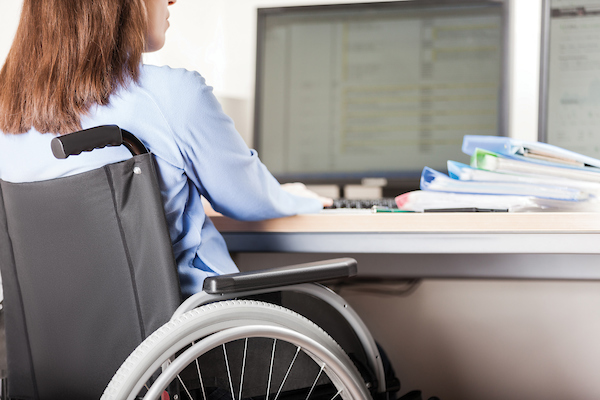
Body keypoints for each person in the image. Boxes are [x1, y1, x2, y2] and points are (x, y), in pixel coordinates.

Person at [0, 0, 332, 297]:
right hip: (194, 347)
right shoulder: (171, 95)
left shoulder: (8, 116)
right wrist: (304, 198)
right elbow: (248, 200)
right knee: (360, 346)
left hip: (69, 359)